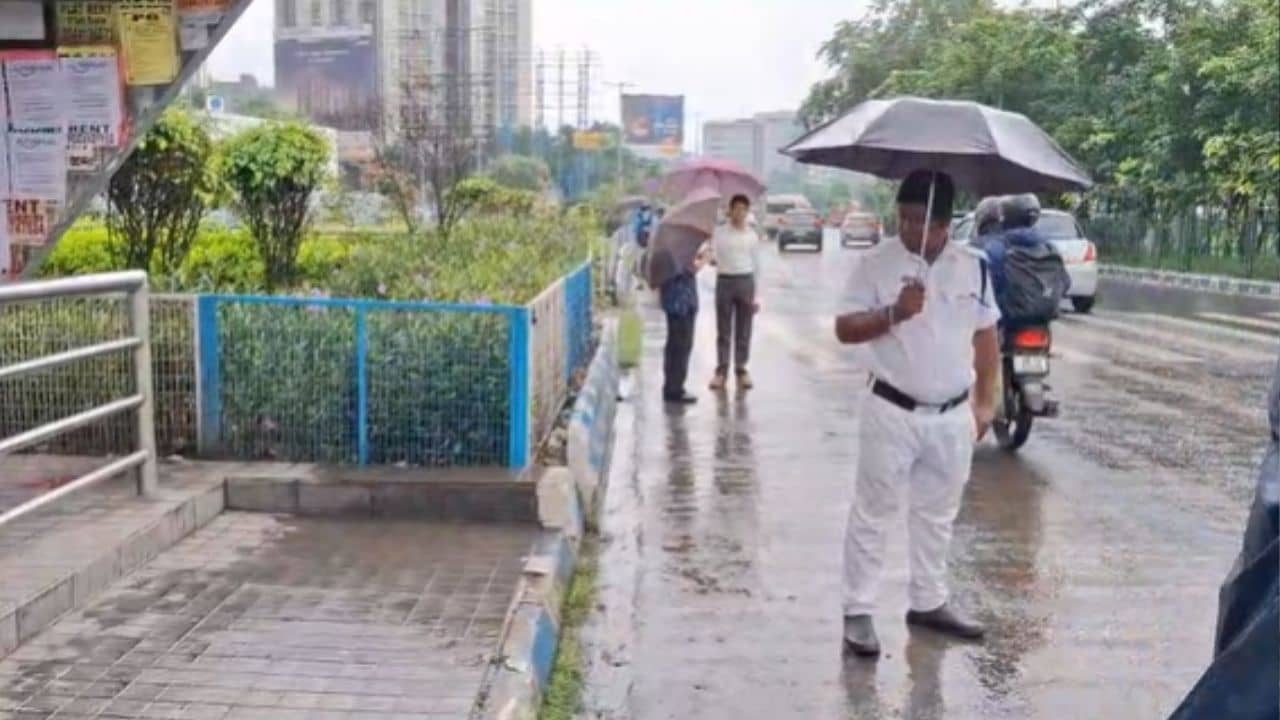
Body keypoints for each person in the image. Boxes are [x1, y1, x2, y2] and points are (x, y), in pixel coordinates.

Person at [834, 169, 1001, 658]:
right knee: (872, 512)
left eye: (920, 220)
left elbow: (987, 337)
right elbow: (844, 329)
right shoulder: (875, 264)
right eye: (903, 218)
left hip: (951, 415)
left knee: (938, 514)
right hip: (891, 409)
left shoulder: (975, 267)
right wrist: (893, 313)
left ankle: (929, 602)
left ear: (945, 223)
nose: (910, 228)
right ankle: (858, 610)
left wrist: (986, 404)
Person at [972, 193, 1067, 329]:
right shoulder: (1049, 246)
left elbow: (993, 281)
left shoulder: (998, 245)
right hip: (1045, 317)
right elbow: (1066, 282)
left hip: (1007, 316)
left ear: (1005, 218)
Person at [709, 194, 763, 391]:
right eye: (736, 209)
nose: (739, 213)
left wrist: (757, 296)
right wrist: (712, 258)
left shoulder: (752, 236)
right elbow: (712, 253)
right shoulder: (720, 233)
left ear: (747, 212)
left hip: (746, 281)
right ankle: (721, 371)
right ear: (730, 210)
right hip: (725, 281)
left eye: (743, 209)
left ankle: (741, 369)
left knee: (744, 329)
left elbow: (758, 267)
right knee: (723, 330)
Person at [659, 242, 708, 405]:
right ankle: (675, 388)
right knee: (681, 345)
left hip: (675, 301)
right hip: (681, 302)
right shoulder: (676, 249)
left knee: (674, 344)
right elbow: (690, 269)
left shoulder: (667, 247)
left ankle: (671, 385)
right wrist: (704, 259)